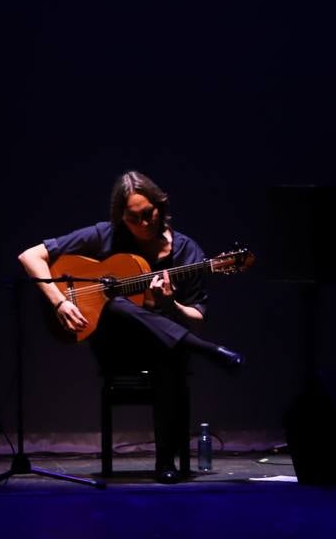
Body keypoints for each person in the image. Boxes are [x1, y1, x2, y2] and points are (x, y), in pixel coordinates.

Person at [18, 171, 243, 483]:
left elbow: (198, 317)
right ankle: (209, 352)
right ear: (121, 217)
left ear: (160, 207)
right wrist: (60, 302)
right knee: (114, 302)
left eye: (148, 214)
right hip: (115, 347)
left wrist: (169, 305)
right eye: (132, 218)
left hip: (164, 346)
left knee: (168, 352)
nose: (142, 224)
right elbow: (30, 256)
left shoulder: (187, 252)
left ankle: (165, 463)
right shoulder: (106, 235)